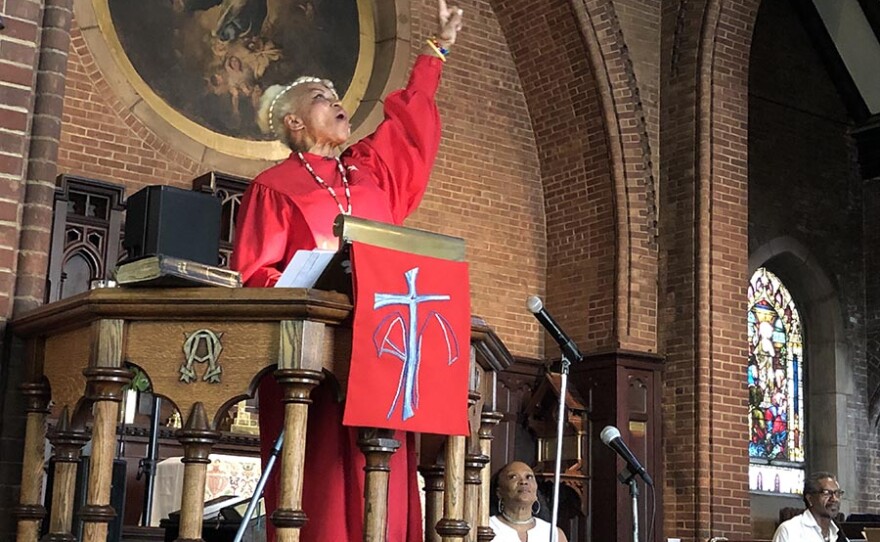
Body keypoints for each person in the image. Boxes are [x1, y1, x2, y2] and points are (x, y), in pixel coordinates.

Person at [229, 1, 464, 541]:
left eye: (336, 96)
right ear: (294, 122)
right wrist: (316, 289)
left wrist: (437, 51)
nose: (337, 102)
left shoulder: (369, 174)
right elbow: (256, 275)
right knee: (327, 494)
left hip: (387, 352)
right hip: (315, 367)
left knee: (384, 488)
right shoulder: (274, 187)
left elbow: (409, 130)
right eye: (321, 97)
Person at [489, 461, 569, 542]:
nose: (524, 482)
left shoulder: (553, 534)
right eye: (513, 477)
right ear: (499, 493)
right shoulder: (487, 528)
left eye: (529, 477)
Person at [772, 471, 849, 542]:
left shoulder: (838, 533)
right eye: (826, 493)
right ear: (810, 498)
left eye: (837, 493)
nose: (834, 499)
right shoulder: (789, 531)